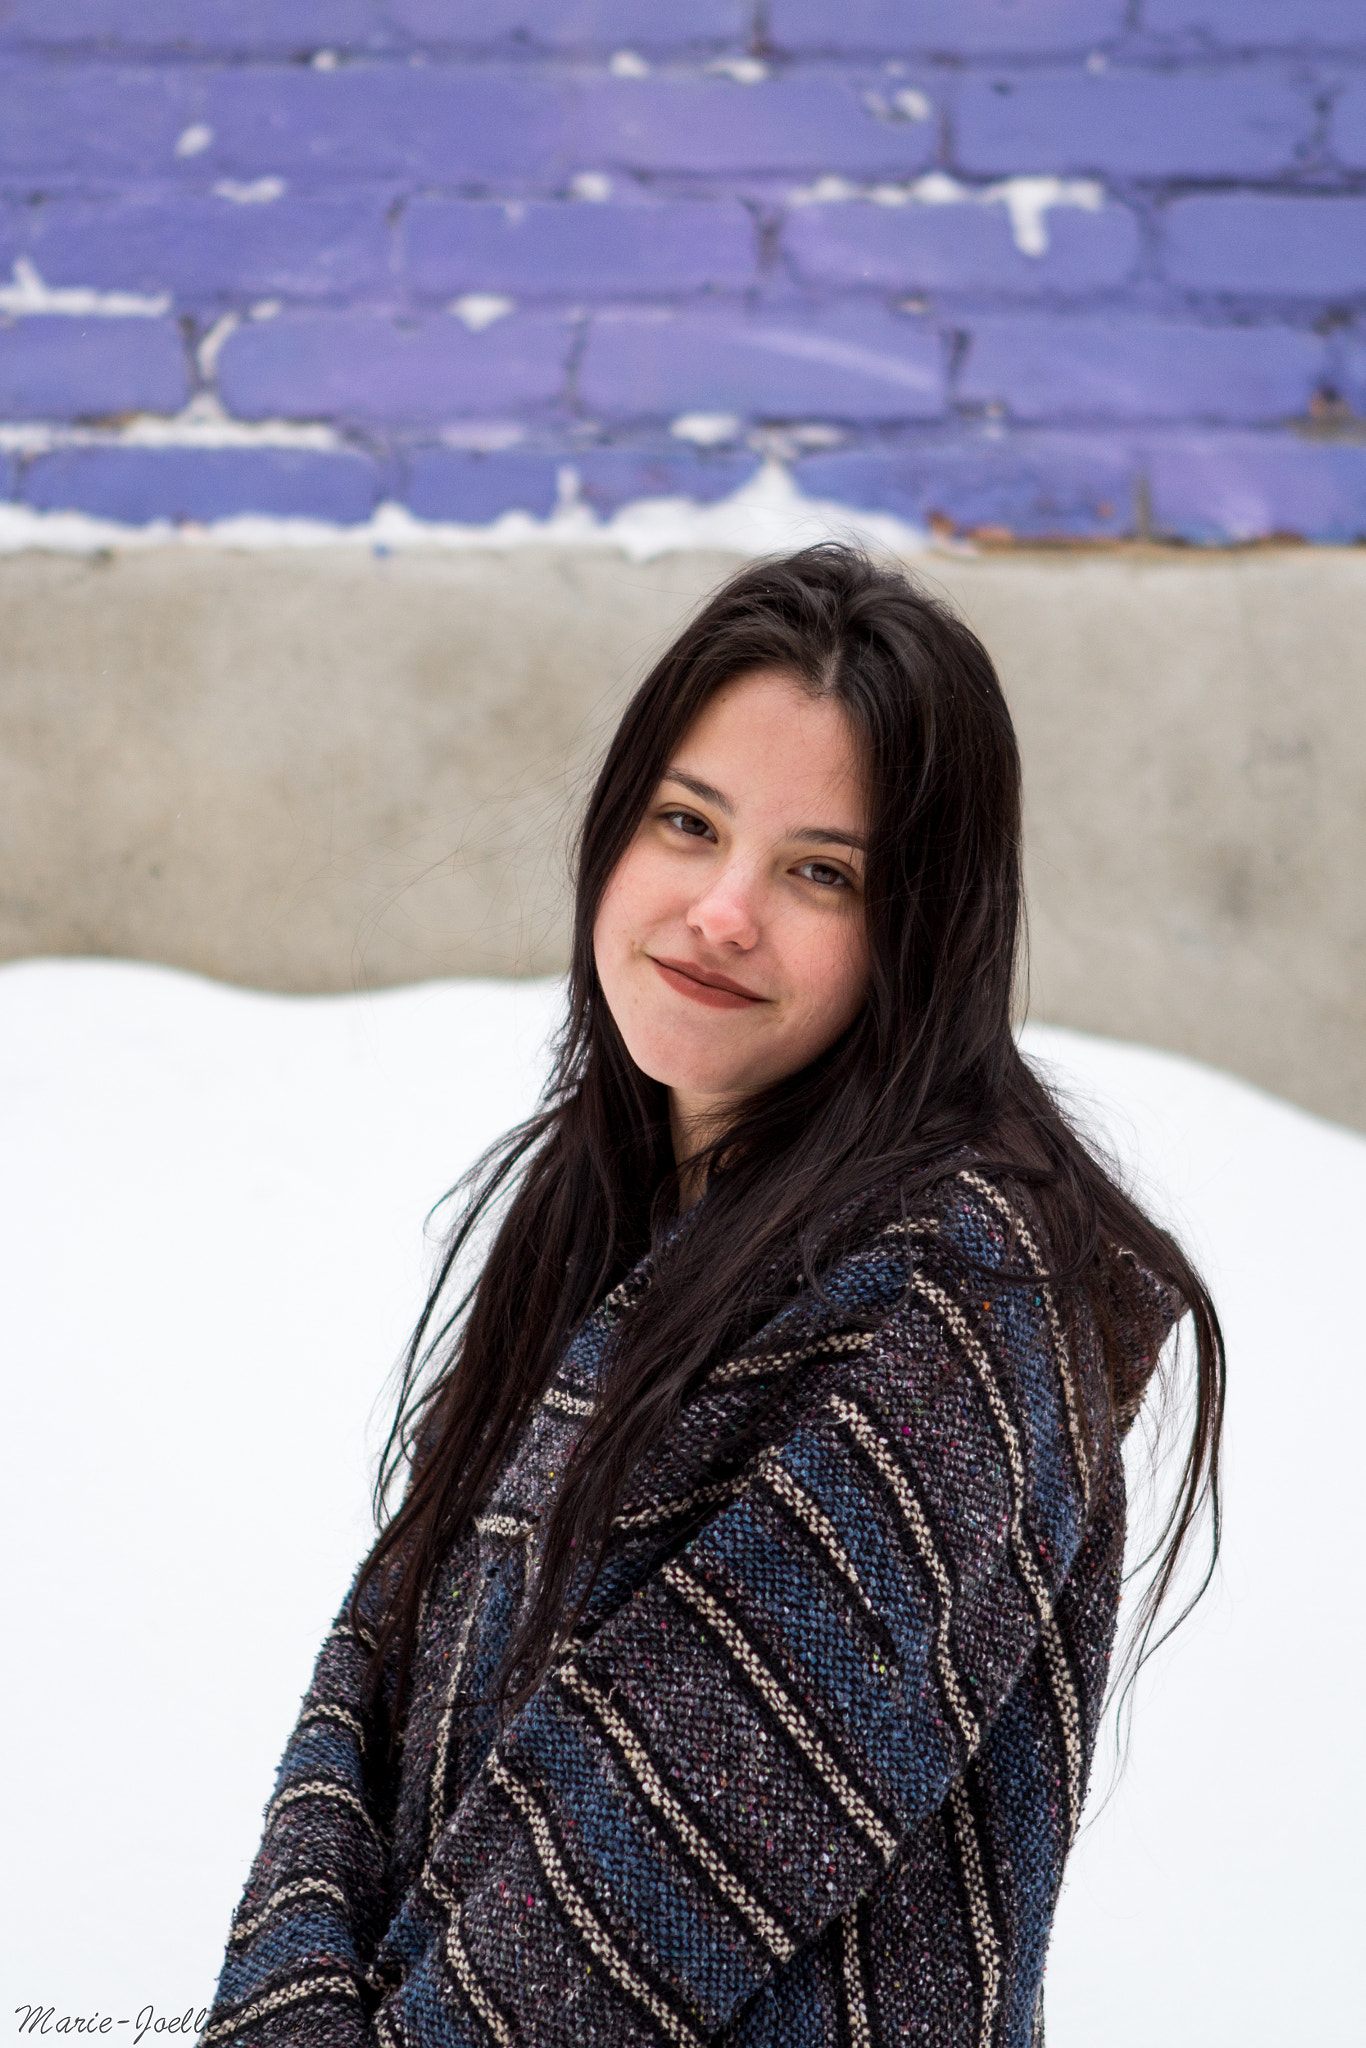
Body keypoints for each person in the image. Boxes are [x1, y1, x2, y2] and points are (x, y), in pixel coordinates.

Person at [203, 545, 1223, 2048]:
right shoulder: (611, 1207)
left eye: (821, 871)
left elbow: (643, 1880)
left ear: (920, 937)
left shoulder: (947, 1305)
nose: (722, 909)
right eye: (689, 824)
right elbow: (376, 1679)